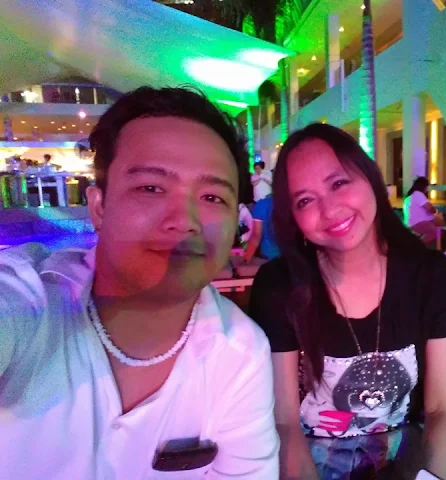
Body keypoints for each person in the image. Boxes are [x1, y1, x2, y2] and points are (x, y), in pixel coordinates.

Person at [0, 86, 278, 479]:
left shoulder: (241, 352)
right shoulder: (29, 304)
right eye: (151, 188)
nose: (185, 221)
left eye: (213, 197)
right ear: (99, 206)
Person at [249, 123, 446, 480]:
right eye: (305, 200)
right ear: (293, 217)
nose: (330, 209)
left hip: (408, 463)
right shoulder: (279, 286)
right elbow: (284, 421)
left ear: (369, 177)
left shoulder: (433, 276)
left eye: (338, 183)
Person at [403, 176, 441, 244]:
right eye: (427, 186)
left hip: (410, 223)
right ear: (424, 186)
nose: (428, 188)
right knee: (436, 231)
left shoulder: (409, 196)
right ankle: (418, 245)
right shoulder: (418, 194)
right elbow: (429, 208)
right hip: (417, 223)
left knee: (439, 222)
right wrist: (435, 211)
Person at [251, 194, 280, 260]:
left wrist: (246, 260)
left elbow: (256, 237)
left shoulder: (261, 205)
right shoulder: (292, 201)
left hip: (268, 256)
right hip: (292, 255)